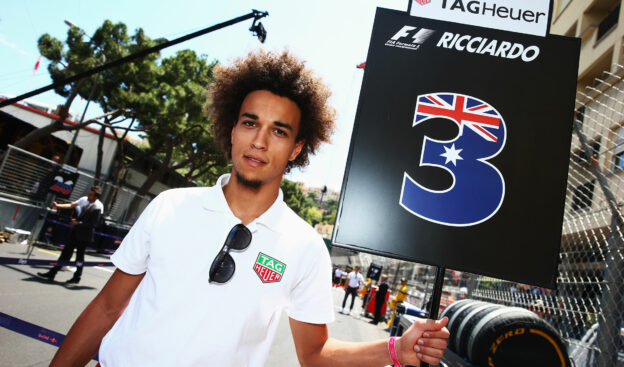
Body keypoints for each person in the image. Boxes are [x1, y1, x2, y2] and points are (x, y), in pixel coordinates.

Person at [48, 50, 449, 367]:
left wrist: (394, 349)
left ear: (296, 149)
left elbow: (314, 355)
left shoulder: (305, 246)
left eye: (279, 131)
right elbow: (107, 307)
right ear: (232, 127)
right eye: (249, 122)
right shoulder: (169, 206)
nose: (259, 141)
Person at [37, 186, 104, 284]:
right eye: (89, 194)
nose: (88, 196)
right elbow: (72, 205)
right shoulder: (85, 202)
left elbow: (94, 224)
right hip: (75, 233)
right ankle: (52, 272)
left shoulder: (98, 207)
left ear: (96, 197)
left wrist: (79, 224)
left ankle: (77, 277)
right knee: (65, 253)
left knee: (79, 257)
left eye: (91, 195)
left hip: (84, 236)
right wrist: (59, 206)